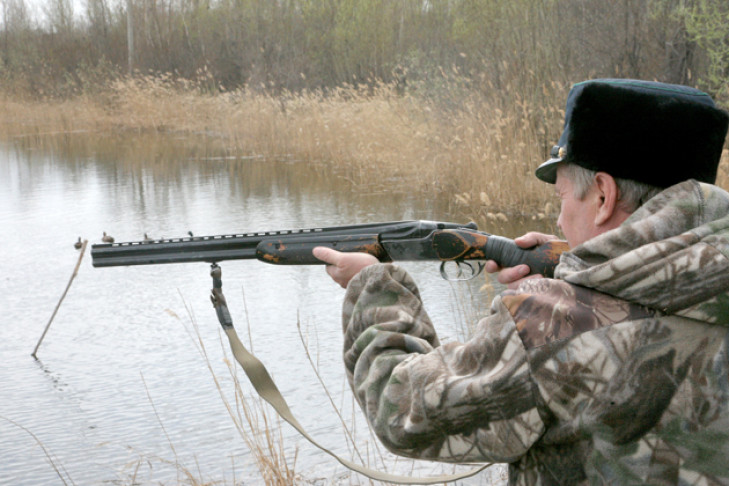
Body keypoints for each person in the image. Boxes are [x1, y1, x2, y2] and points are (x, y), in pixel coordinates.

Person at [313, 79, 729, 485]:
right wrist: (582, 268)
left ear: (603, 196)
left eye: (563, 198)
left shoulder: (549, 324)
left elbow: (400, 411)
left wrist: (371, 285)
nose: (559, 221)